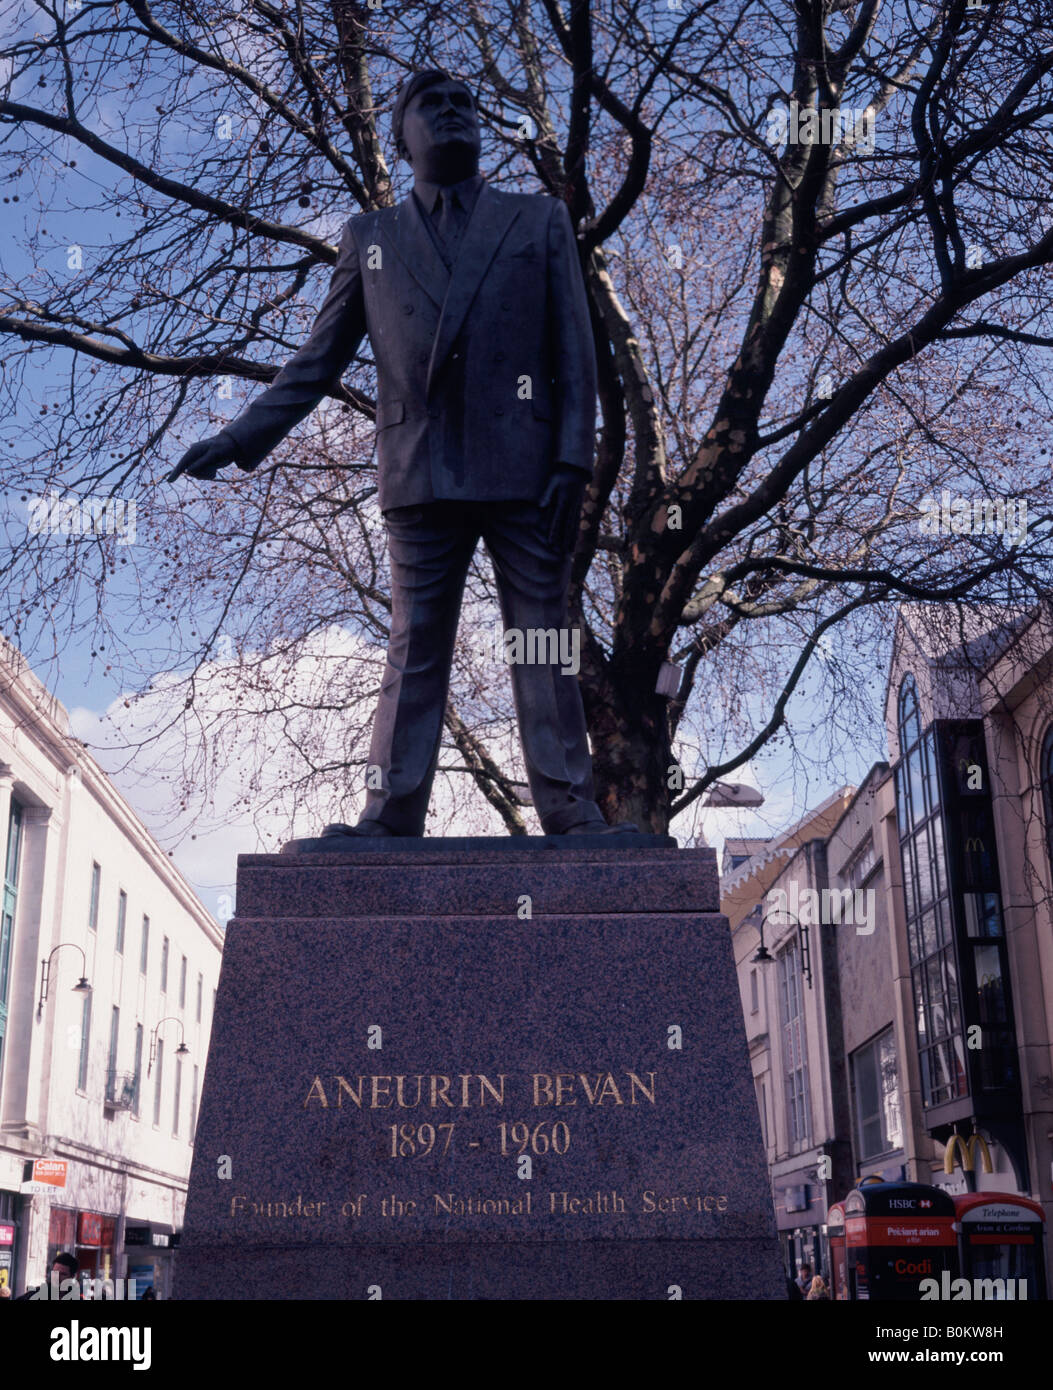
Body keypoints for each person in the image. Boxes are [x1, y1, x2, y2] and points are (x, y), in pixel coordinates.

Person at [170, 69, 636, 841]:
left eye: (464, 103)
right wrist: (238, 436)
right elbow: (315, 362)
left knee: (543, 641)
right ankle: (389, 814)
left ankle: (569, 808)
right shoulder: (369, 238)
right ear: (401, 136)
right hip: (420, 469)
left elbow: (576, 354)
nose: (452, 114)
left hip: (526, 468)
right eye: (432, 105)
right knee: (413, 645)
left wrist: (571, 463)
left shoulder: (538, 221)